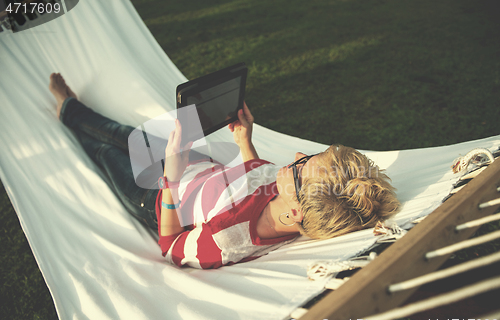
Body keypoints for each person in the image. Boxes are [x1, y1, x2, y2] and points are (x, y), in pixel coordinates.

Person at [49, 73, 400, 269]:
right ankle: (74, 109)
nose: (296, 154)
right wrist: (245, 140)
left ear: (294, 212)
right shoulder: (291, 200)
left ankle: (68, 113)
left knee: (104, 152)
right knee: (124, 135)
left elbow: (171, 246)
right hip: (195, 167)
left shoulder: (226, 240)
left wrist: (170, 180)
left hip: (155, 197)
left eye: (302, 164)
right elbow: (256, 174)